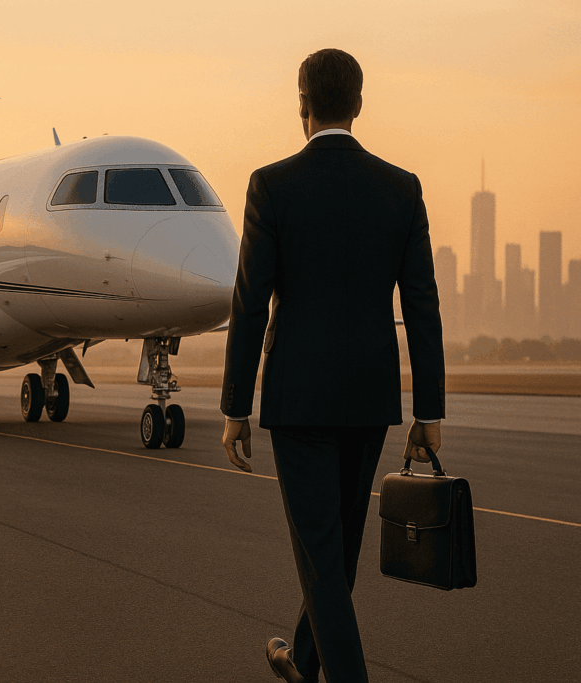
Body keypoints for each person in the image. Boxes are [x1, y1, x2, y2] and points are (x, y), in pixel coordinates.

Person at [220, 49, 445, 683]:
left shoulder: (272, 185)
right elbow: (422, 307)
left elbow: (250, 301)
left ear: (303, 103)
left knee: (324, 557)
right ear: (360, 104)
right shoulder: (401, 188)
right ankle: (302, 661)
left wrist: (236, 405)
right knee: (336, 553)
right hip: (370, 399)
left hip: (299, 402)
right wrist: (429, 410)